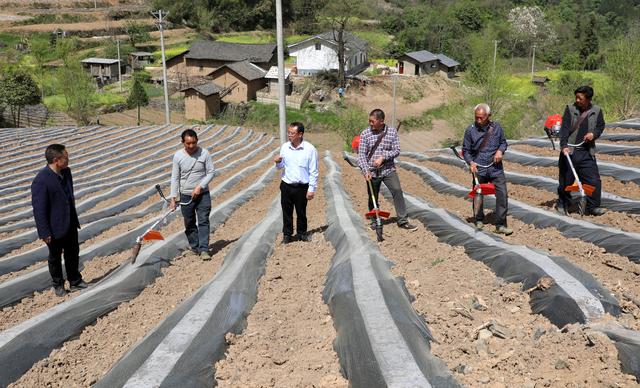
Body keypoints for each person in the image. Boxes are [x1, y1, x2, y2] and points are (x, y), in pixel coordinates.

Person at [31, 144, 88, 297]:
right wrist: (44, 231)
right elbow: (39, 209)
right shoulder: (41, 180)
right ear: (56, 160)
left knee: (73, 253)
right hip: (54, 227)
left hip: (69, 222)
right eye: (66, 157)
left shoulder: (66, 173)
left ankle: (75, 280)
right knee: (55, 257)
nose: (68, 160)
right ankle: (58, 284)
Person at [357, 109, 418, 231]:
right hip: (372, 171)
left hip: (388, 169)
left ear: (381, 121)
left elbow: (396, 150)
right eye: (369, 121)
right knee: (373, 196)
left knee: (397, 190)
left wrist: (383, 157)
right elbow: (361, 155)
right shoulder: (365, 134)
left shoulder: (391, 132)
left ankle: (403, 220)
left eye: (372, 121)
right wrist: (365, 171)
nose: (370, 123)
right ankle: (375, 221)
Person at [462, 103, 512, 235]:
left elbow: (503, 143)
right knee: (478, 193)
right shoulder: (470, 130)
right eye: (476, 117)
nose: (478, 120)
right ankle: (478, 219)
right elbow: (466, 150)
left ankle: (500, 224)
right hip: (479, 168)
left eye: (481, 117)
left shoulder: (497, 128)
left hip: (495, 168)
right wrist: (470, 162)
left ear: (488, 116)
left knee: (502, 194)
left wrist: (500, 151)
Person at [556, 85, 606, 216]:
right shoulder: (570, 109)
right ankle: (562, 203)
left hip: (586, 152)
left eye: (580, 98)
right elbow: (564, 128)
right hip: (570, 151)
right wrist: (564, 145)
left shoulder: (597, 111)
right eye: (576, 97)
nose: (577, 100)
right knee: (566, 181)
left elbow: (600, 126)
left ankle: (593, 206)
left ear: (588, 99)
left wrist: (593, 134)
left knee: (593, 180)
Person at [170, 129, 215, 260]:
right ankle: (195, 247)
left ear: (197, 141)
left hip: (202, 194)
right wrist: (173, 198)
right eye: (188, 143)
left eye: (194, 143)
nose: (191, 146)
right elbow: (175, 178)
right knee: (189, 222)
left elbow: (211, 172)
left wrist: (200, 187)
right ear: (182, 142)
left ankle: (204, 249)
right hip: (185, 195)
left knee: (203, 220)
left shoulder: (204, 153)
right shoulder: (178, 156)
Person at [274, 122, 318, 244]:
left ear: (300, 134)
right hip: (286, 185)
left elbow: (314, 171)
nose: (289, 135)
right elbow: (280, 166)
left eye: (292, 133)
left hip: (301, 187)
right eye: (289, 132)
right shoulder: (285, 147)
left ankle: (301, 234)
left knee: (301, 212)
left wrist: (311, 189)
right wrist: (277, 162)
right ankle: (287, 235)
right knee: (286, 212)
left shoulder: (310, 149)